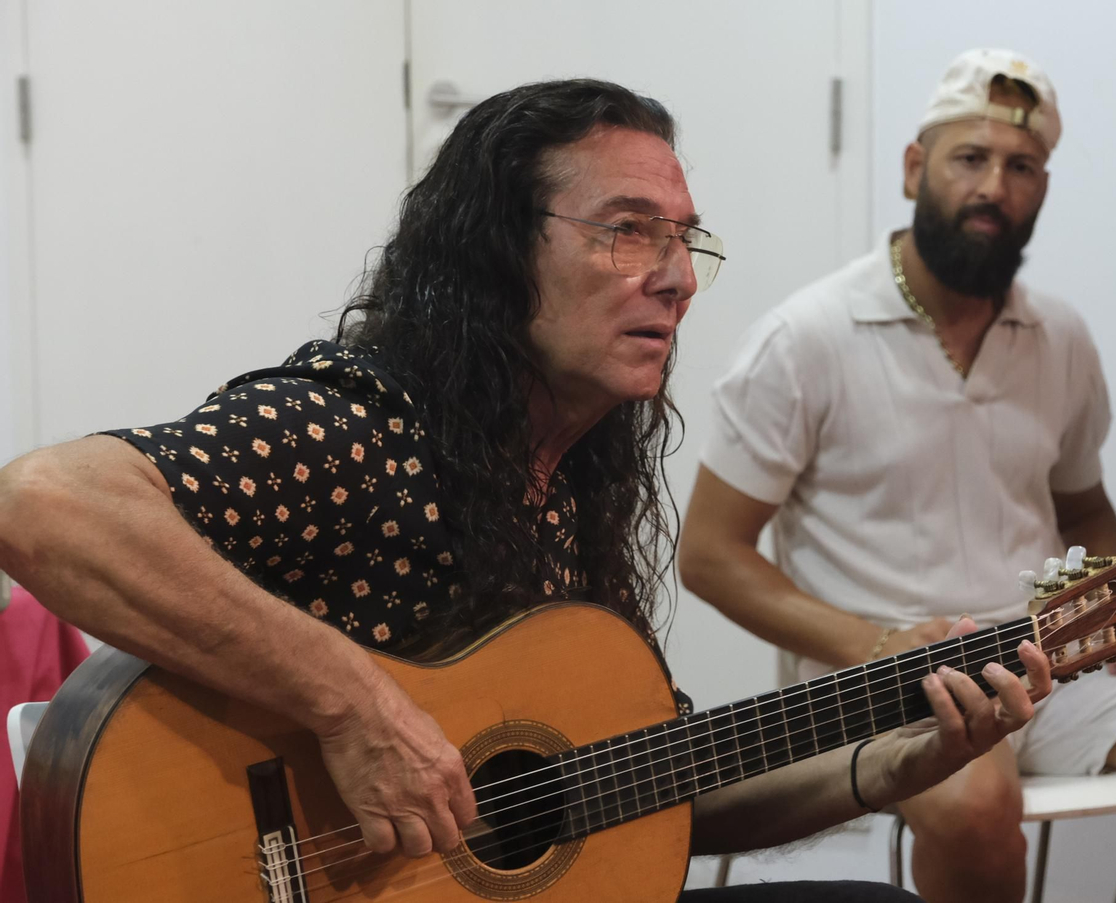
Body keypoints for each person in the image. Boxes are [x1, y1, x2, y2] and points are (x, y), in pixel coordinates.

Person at [0, 79, 1054, 903]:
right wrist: (354, 705)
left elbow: (651, 783)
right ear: (499, 252)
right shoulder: (361, 427)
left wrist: (890, 764)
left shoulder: (569, 485)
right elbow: (41, 503)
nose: (678, 276)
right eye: (629, 229)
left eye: (684, 238)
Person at [678, 49, 1116, 903]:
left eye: (1022, 167)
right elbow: (710, 554)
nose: (994, 187)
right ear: (914, 169)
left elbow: (1083, 505)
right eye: (970, 158)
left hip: (1050, 656)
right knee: (976, 804)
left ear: (1042, 189)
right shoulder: (806, 338)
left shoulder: (1058, 336)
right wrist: (875, 644)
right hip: (886, 679)